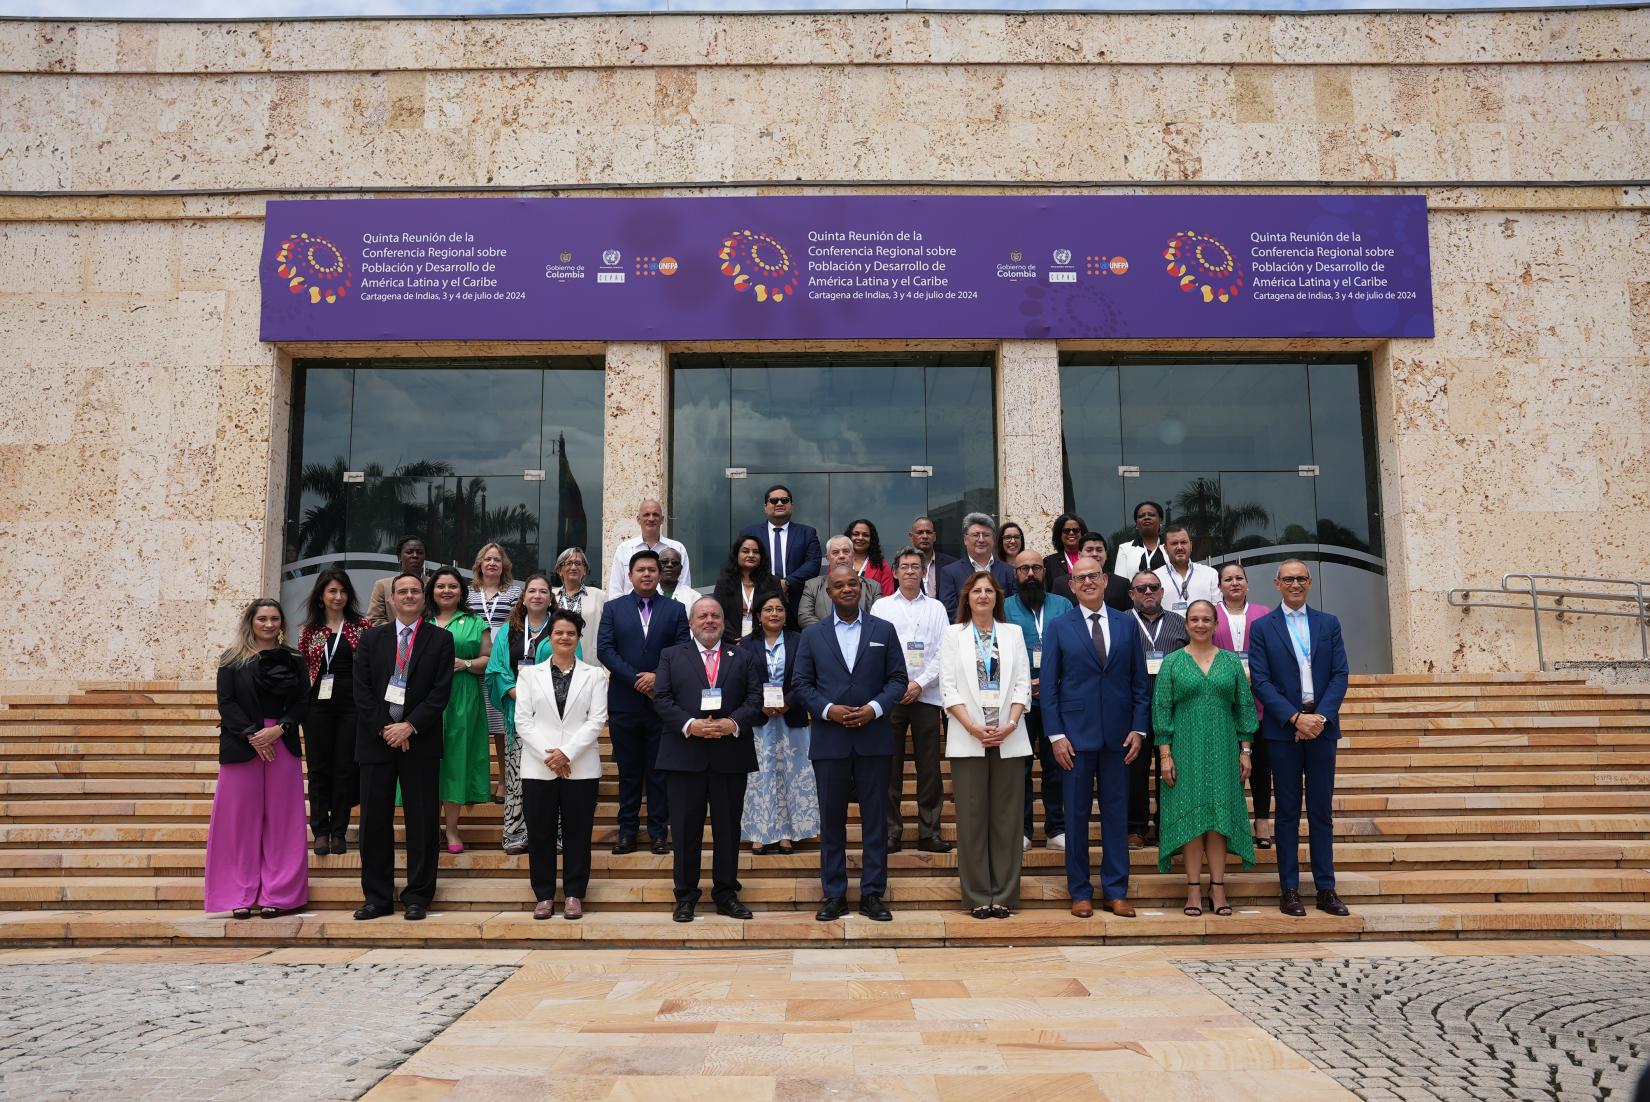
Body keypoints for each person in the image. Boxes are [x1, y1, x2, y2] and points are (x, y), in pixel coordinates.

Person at [794, 565, 909, 922]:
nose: (846, 589)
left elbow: (898, 679)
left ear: (861, 587)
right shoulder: (813, 636)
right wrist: (829, 710)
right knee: (832, 822)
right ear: (828, 593)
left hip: (874, 739)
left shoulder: (883, 630)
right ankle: (834, 895)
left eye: (852, 583)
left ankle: (873, 894)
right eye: (838, 585)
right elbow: (801, 684)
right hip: (830, 741)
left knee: (876, 820)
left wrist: (875, 709)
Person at [1040, 555, 1149, 918]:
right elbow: (1050, 687)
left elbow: (1138, 683)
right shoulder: (1058, 626)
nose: (1087, 582)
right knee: (1076, 818)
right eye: (1079, 577)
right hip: (1074, 738)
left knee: (1117, 815)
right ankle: (1081, 891)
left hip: (1120, 739)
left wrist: (1138, 728)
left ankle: (1116, 890)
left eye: (1093, 576)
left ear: (1105, 580)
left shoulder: (1126, 624)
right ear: (1071, 586)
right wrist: (1055, 735)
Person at [1249, 559, 1352, 918]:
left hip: (1322, 728)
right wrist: (1295, 717)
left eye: (1301, 579)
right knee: (1288, 811)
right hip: (1283, 731)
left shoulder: (1329, 623)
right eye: (1288, 579)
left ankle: (1326, 888)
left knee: (1321, 811)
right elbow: (1260, 680)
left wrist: (1320, 717)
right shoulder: (1262, 627)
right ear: (1276, 584)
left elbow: (1340, 674)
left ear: (1309, 583)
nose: (1295, 584)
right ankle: (1289, 889)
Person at [653, 597, 765, 922]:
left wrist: (732, 724)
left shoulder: (742, 657)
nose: (710, 621)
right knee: (686, 831)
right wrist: (692, 725)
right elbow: (661, 697)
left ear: (723, 621)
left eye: (715, 615)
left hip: (730, 755)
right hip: (684, 756)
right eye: (703, 615)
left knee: (728, 831)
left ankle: (726, 893)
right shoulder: (672, 656)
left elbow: (755, 697)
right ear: (691, 622)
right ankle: (685, 896)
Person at [352, 572, 455, 921]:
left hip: (420, 741)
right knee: (374, 822)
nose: (409, 596)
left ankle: (417, 896)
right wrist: (386, 729)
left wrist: (410, 725)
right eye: (402, 591)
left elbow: (440, 692)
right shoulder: (371, 639)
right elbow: (361, 691)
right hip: (376, 741)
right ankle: (377, 898)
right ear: (392, 598)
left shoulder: (441, 640)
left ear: (423, 598)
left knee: (423, 821)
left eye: (415, 591)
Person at [205, 599, 311, 919]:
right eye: (262, 618)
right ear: (250, 622)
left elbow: (303, 701)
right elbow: (227, 703)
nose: (268, 624)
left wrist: (279, 730)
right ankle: (237, 893)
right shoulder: (231, 659)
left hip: (282, 741)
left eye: (275, 619)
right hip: (242, 745)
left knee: (283, 820)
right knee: (237, 822)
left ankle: (278, 893)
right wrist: (254, 735)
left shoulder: (295, 658)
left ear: (282, 623)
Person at [1154, 599, 1258, 918]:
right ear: (1186, 625)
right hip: (1184, 750)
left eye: (1206, 620)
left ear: (1215, 624)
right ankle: (1193, 889)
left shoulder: (1229, 661)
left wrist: (1246, 751)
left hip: (1224, 749)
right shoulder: (1172, 662)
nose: (1200, 625)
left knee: (1217, 821)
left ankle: (1218, 886)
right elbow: (1161, 709)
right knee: (1192, 819)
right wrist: (1165, 755)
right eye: (1194, 619)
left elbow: (1244, 707)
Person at [941, 571, 1032, 919]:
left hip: (1010, 736)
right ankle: (979, 894)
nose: (982, 596)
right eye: (976, 590)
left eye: (988, 591)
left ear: (997, 597)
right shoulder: (953, 634)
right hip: (968, 737)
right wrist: (973, 727)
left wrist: (1009, 724)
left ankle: (1005, 894)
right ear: (967, 597)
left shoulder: (1013, 633)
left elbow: (1023, 684)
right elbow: (948, 687)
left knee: (1008, 819)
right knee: (973, 817)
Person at [514, 608, 607, 921]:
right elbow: (522, 721)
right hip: (538, 766)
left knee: (578, 833)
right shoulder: (529, 675)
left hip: (580, 767)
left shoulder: (594, 675)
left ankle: (573, 894)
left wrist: (566, 753)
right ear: (549, 638)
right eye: (559, 633)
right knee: (539, 833)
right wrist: (550, 755)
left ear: (578, 638)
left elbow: (596, 720)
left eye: (571, 633)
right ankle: (543, 895)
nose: (565, 637)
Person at [597, 549, 691, 855]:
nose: (647, 574)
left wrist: (656, 677)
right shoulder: (613, 609)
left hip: (662, 704)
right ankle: (627, 832)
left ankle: (658, 832)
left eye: (652, 569)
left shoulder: (675, 609)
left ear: (659, 574)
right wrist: (638, 678)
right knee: (628, 771)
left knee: (658, 771)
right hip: (625, 701)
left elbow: (681, 649)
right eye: (641, 570)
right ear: (631, 575)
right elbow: (605, 650)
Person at [870, 546, 951, 855]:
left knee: (929, 768)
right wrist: (898, 685)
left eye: (916, 566)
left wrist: (918, 683)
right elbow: (875, 651)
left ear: (924, 572)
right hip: (890, 698)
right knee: (889, 768)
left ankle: (929, 832)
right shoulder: (881, 607)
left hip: (927, 696)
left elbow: (945, 651)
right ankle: (891, 832)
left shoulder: (937, 608)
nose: (910, 571)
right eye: (904, 566)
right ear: (895, 571)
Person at [297, 568, 369, 856]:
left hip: (352, 705)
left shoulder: (361, 626)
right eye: (332, 591)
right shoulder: (309, 631)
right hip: (317, 705)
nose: (338, 597)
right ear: (321, 596)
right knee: (318, 768)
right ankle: (320, 830)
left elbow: (369, 667)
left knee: (345, 767)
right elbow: (302, 670)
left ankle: (339, 831)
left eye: (343, 591)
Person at [1004, 550, 1073, 851]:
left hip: (1057, 698)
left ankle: (1056, 827)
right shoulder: (1004, 607)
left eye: (1035, 568)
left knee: (1055, 764)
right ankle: (1022, 830)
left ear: (1045, 572)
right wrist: (1025, 683)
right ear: (1015, 574)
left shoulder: (1063, 604)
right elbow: (998, 651)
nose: (1030, 574)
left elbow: (1074, 647)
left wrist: (1051, 683)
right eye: (1023, 569)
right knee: (1019, 766)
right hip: (1019, 700)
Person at [740, 592, 818, 855]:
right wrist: (759, 704)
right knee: (760, 776)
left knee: (791, 775)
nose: (774, 613)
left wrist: (789, 702)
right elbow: (741, 682)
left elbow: (807, 677)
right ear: (758, 616)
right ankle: (759, 833)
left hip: (791, 718)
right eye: (768, 609)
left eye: (779, 609)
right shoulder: (746, 645)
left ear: (786, 615)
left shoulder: (800, 641)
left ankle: (787, 834)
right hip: (759, 721)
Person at [484, 572, 554, 856]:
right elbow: (496, 669)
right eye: (532, 591)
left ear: (551, 598)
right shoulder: (509, 630)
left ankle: (553, 834)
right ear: (523, 597)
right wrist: (516, 693)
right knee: (518, 776)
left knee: (551, 777)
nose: (537, 595)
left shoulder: (560, 628)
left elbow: (574, 663)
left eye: (543, 591)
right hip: (519, 714)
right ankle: (516, 834)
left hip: (553, 714)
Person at [424, 567, 493, 854]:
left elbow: (488, 660)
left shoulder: (475, 622)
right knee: (427, 764)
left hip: (463, 696)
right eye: (441, 586)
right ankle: (428, 827)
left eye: (453, 586)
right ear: (432, 591)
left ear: (462, 591)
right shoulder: (421, 620)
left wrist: (464, 664)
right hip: (425, 699)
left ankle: (451, 829)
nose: (446, 591)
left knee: (455, 762)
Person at [1213, 562, 1273, 849]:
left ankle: (1262, 823)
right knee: (1227, 766)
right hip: (1224, 702)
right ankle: (1229, 823)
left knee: (1261, 765)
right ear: (1220, 585)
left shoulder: (1264, 614)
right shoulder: (1210, 614)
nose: (1234, 583)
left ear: (1247, 583)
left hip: (1260, 700)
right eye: (1228, 579)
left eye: (1239, 578)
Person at [1128, 569, 1190, 848]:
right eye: (1141, 589)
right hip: (1134, 711)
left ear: (1163, 591)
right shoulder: (1121, 622)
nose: (1148, 592)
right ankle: (1136, 827)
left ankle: (1168, 824)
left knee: (1171, 770)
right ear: (1132, 594)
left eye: (1153, 587)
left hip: (1174, 710)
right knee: (1135, 771)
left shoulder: (1180, 623)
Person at [467, 541, 521, 806]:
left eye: (497, 560)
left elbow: (519, 625)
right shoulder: (468, 594)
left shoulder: (514, 592)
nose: (492, 564)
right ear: (479, 564)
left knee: (500, 727)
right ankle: (474, 781)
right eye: (487, 559)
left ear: (504, 565)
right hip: (474, 662)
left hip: (502, 663)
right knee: (477, 726)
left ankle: (503, 779)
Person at [739, 483, 823, 615]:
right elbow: (741, 564)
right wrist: (769, 585)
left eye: (785, 500)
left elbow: (813, 564)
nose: (779, 503)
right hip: (758, 601)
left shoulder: (807, 533)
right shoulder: (749, 534)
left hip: (797, 602)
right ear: (765, 507)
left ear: (791, 506)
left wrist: (788, 582)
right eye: (773, 500)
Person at [938, 512, 1016, 619]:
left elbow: (1014, 609)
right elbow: (950, 611)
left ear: (993, 539)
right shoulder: (950, 572)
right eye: (976, 535)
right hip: (965, 632)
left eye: (986, 535)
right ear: (965, 539)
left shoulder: (1010, 571)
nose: (981, 540)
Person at [607, 498, 692, 596]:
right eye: (646, 514)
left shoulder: (678, 548)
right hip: (631, 609)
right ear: (638, 519)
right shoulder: (624, 549)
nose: (651, 519)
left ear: (662, 520)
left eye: (655, 514)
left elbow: (684, 588)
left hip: (669, 609)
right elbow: (615, 591)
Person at [712, 535, 783, 644]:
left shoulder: (772, 582)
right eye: (745, 551)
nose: (751, 555)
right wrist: (736, 639)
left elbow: (780, 612)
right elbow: (717, 614)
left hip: (763, 641)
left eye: (756, 552)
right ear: (737, 555)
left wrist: (753, 640)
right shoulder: (724, 582)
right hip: (730, 642)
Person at [799, 535, 881, 628]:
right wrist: (833, 632)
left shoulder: (873, 586)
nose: (841, 556)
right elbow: (804, 617)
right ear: (828, 558)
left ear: (853, 556)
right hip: (825, 639)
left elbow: (878, 617)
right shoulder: (812, 585)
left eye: (846, 551)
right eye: (835, 552)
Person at [1052, 531, 1132, 611]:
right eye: (1089, 550)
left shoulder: (1122, 584)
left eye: (1099, 550)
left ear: (1106, 554)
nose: (1094, 554)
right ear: (1079, 555)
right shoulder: (1061, 584)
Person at [553, 546, 606, 662]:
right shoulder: (551, 596)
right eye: (568, 563)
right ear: (559, 570)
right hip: (556, 661)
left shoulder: (600, 596)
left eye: (578, 563)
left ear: (585, 570)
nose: (573, 567)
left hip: (589, 660)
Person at [1155, 523, 1221, 613]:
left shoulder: (1210, 574)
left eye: (1183, 542)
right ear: (1165, 549)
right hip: (1169, 627)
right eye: (1174, 543)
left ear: (1191, 545)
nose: (1179, 547)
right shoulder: (1155, 577)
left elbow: (1218, 609)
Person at [367, 535, 432, 624]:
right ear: (399, 557)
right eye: (409, 552)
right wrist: (400, 632)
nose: (415, 556)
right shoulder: (382, 586)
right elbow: (374, 619)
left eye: (420, 553)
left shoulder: (434, 584)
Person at [1114, 501, 1168, 581]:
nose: (1146, 517)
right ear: (1136, 524)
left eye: (1151, 515)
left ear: (1161, 520)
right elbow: (1119, 582)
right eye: (1141, 516)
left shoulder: (1170, 546)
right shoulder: (1125, 549)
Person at [846, 517, 896, 598]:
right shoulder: (839, 563)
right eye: (856, 534)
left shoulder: (882, 566)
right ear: (849, 537)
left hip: (873, 610)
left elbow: (888, 597)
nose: (860, 538)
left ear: (871, 539)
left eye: (865, 535)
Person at [908, 515, 957, 599]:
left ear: (934, 537)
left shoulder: (951, 564)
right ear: (911, 537)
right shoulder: (903, 567)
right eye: (920, 532)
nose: (925, 536)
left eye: (928, 532)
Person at [1042, 513, 1087, 590]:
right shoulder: (1049, 562)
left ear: (1082, 534)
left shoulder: (1090, 558)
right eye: (1066, 531)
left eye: (1075, 530)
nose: (1071, 533)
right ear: (1059, 534)